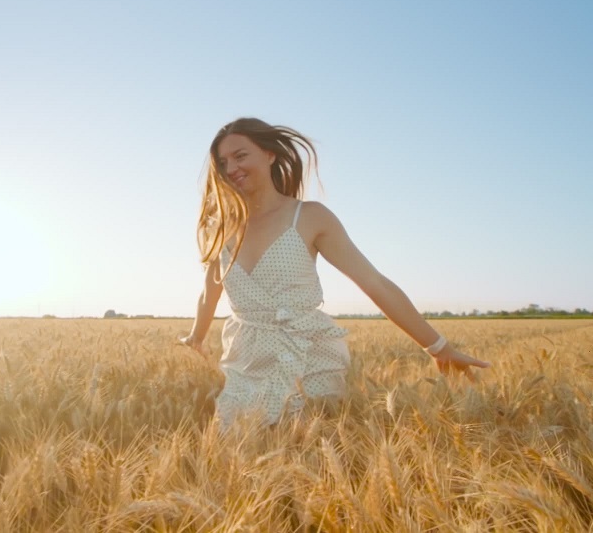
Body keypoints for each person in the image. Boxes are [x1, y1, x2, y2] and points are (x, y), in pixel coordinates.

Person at [179, 118, 490, 426]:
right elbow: (211, 290)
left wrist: (439, 347)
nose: (231, 167)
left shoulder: (310, 217)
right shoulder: (222, 227)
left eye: (240, 155)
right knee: (237, 452)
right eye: (222, 161)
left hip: (307, 357)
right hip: (246, 361)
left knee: (312, 452)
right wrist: (196, 337)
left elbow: (374, 283)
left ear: (270, 154)